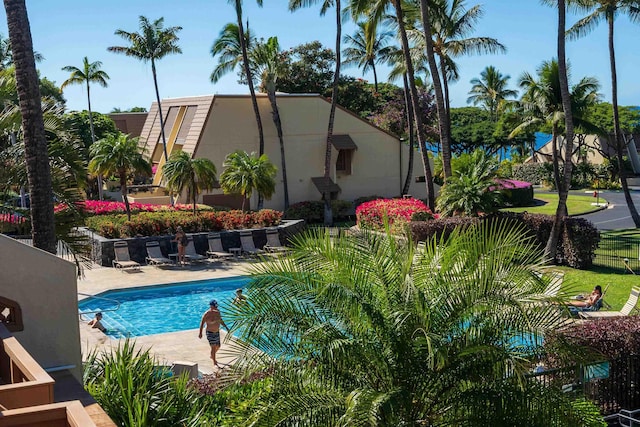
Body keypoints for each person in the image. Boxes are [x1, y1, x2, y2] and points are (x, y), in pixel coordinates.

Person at [198, 300, 229, 368]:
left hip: (217, 332)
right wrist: (200, 333)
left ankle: (212, 355)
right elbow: (202, 323)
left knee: (218, 346)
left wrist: (226, 327)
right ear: (211, 306)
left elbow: (221, 321)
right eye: (214, 306)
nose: (216, 307)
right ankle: (214, 362)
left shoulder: (218, 313)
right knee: (213, 347)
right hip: (210, 332)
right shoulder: (207, 314)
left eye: (216, 306)